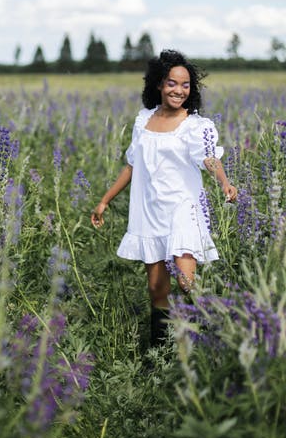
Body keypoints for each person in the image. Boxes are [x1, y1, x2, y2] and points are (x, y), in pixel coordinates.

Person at [91, 49, 237, 346]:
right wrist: (105, 200)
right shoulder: (143, 121)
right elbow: (133, 164)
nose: (179, 90)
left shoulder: (196, 125)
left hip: (183, 210)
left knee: (187, 284)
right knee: (157, 289)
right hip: (149, 211)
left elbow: (209, 158)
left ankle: (202, 346)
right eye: (172, 83)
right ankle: (161, 355)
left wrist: (224, 182)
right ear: (159, 84)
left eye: (185, 85)